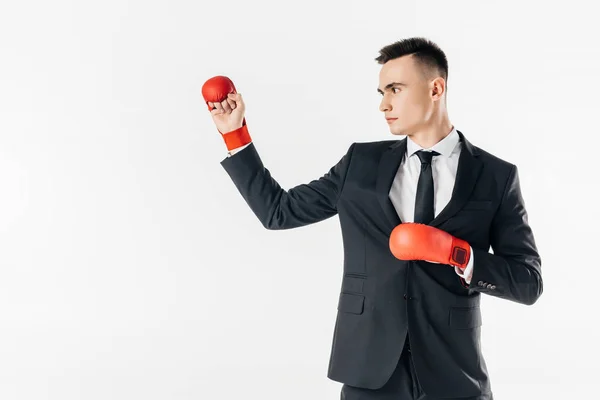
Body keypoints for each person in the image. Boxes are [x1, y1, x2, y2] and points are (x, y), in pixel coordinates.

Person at [207, 37, 542, 400]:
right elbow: (278, 211)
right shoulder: (360, 164)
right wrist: (234, 133)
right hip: (369, 371)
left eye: (395, 90)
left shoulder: (495, 175)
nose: (384, 105)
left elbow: (528, 283)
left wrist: (458, 254)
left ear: (436, 88)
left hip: (455, 375)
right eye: (382, 92)